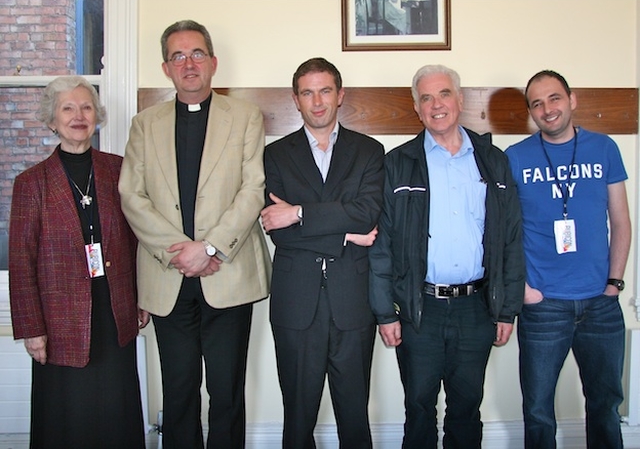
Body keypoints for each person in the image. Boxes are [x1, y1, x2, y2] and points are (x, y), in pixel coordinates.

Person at [118, 20, 271, 449]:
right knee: (179, 392)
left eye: (197, 54)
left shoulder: (245, 117)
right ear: (166, 68)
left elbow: (252, 189)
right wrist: (179, 253)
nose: (189, 64)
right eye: (178, 56)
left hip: (228, 274)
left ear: (213, 63)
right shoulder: (144, 124)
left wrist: (207, 248)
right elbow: (132, 195)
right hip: (168, 280)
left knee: (226, 394)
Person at [369, 64, 525, 449]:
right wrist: (384, 313)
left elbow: (510, 238)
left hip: (477, 308)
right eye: (426, 98)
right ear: (417, 109)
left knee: (467, 407)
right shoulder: (398, 162)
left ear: (459, 99)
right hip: (420, 307)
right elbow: (382, 243)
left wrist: (508, 309)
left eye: (444, 94)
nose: (436, 104)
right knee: (419, 406)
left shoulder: (492, 160)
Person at [9, 75, 148, 448]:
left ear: (96, 116)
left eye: (86, 107)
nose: (78, 115)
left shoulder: (118, 171)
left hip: (114, 311)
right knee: (65, 417)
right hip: (57, 323)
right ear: (52, 120)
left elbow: (137, 240)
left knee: (116, 409)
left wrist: (142, 298)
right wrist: (31, 328)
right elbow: (21, 261)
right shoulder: (31, 183)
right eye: (67, 108)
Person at [260, 57, 384, 449]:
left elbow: (366, 215)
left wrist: (298, 213)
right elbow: (278, 233)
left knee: (354, 418)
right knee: (297, 419)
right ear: (295, 100)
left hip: (353, 304)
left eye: (325, 90)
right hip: (297, 306)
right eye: (307, 92)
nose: (317, 101)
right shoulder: (275, 154)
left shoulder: (369, 151)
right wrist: (347, 237)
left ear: (340, 95)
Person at [505, 70, 631, 449]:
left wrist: (615, 283)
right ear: (531, 112)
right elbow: (505, 232)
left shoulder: (604, 148)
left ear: (572, 100)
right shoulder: (515, 157)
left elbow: (621, 221)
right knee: (539, 411)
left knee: (606, 405)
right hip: (544, 306)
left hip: (601, 304)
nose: (548, 109)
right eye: (538, 103)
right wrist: (524, 289)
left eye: (554, 98)